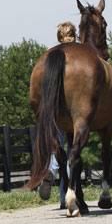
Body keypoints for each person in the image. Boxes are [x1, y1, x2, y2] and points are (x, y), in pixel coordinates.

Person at [38, 22, 76, 205]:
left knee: (57, 145)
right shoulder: (77, 55)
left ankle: (51, 170)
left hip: (54, 110)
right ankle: (66, 196)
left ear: (58, 37)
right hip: (73, 111)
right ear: (74, 36)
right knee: (72, 152)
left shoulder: (51, 56)